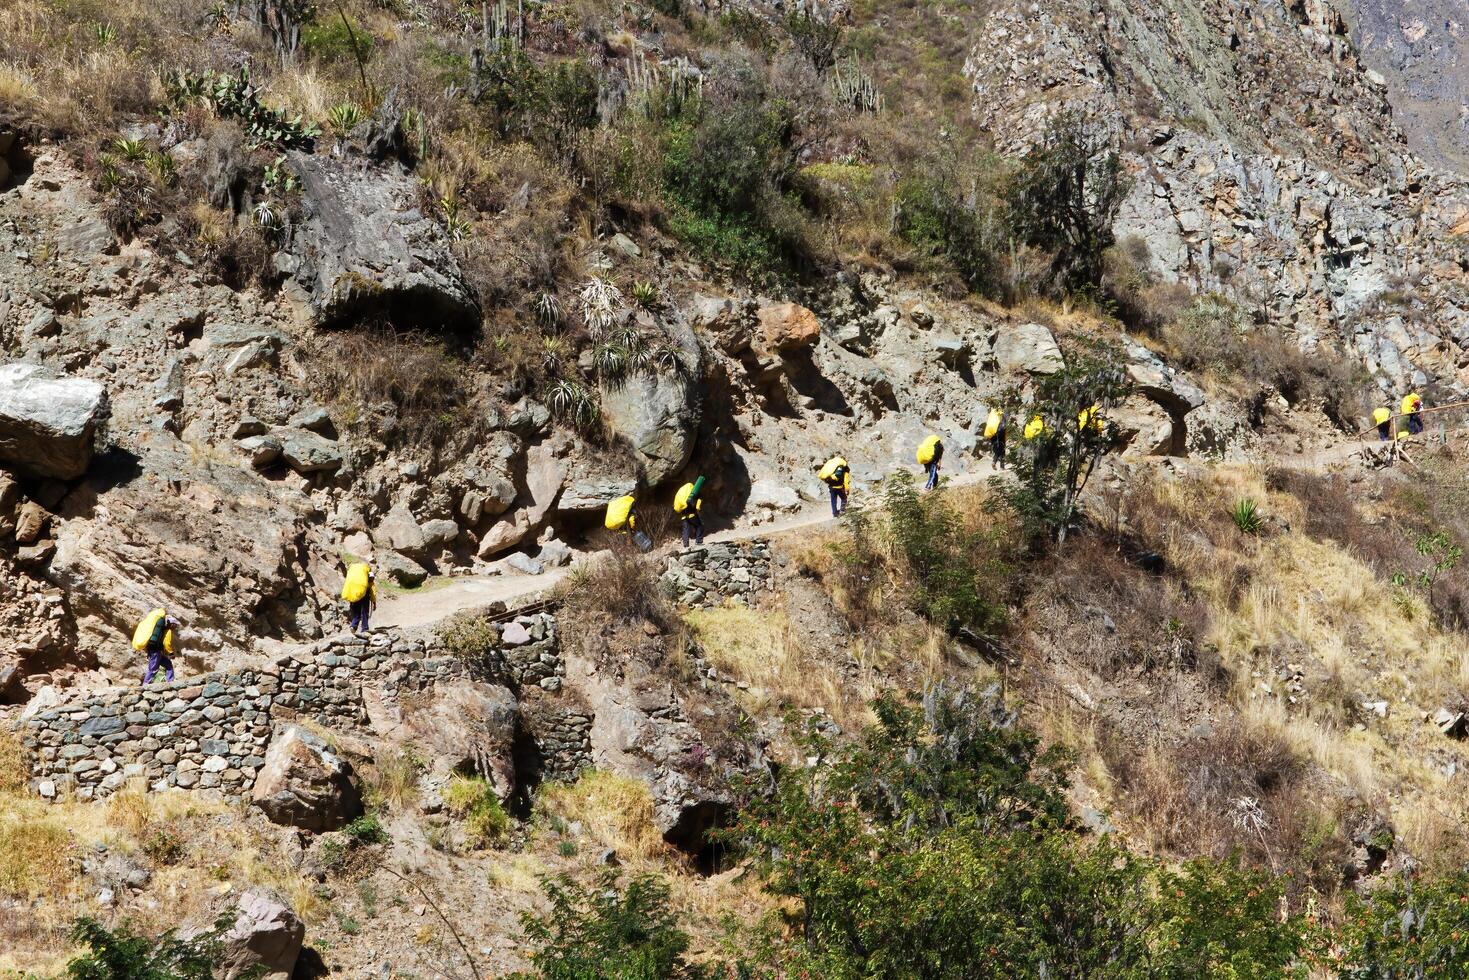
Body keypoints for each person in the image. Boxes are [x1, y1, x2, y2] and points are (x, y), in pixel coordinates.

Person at [134, 608, 181, 685]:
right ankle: (145, 684)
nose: (174, 627)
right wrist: (171, 653)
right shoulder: (167, 631)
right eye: (174, 625)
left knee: (168, 665)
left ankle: (170, 682)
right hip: (155, 651)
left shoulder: (162, 629)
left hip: (155, 651)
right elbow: (167, 643)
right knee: (153, 669)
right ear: (171, 623)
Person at [341, 560, 378, 634]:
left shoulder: (352, 569)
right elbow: (371, 585)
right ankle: (365, 628)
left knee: (356, 611)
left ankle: (354, 625)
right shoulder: (368, 569)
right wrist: (374, 601)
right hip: (364, 591)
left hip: (353, 590)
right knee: (364, 611)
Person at [674, 477, 706, 548]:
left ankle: (686, 546)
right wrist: (698, 509)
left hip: (683, 516)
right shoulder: (694, 494)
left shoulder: (683, 495)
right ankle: (698, 542)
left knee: (686, 531)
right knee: (699, 526)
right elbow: (698, 506)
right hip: (692, 515)